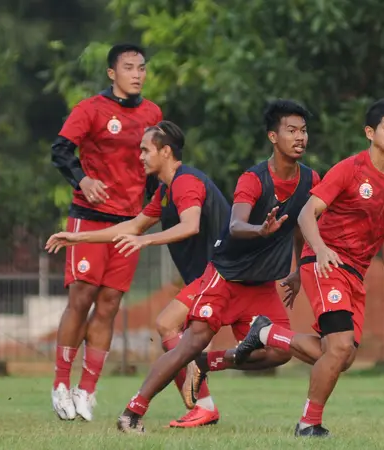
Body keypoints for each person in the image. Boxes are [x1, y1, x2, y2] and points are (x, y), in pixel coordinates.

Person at [115, 99, 320, 434]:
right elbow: (236, 223)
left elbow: (302, 223)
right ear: (273, 136)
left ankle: (206, 364)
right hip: (226, 277)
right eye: (292, 131)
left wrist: (298, 268)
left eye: (304, 130)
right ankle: (132, 412)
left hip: (263, 286)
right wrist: (260, 229)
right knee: (189, 342)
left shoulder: (311, 180)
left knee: (278, 354)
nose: (300, 137)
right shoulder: (253, 179)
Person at [234, 98, 384, 437]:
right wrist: (320, 250)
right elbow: (306, 213)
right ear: (370, 133)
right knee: (341, 347)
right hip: (325, 264)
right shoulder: (350, 169)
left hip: (356, 273)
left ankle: (265, 332)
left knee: (340, 357)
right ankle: (309, 424)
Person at [46, 120, 230, 428]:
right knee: (270, 347)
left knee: (170, 326)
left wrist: (145, 241)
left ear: (165, 151)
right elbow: (132, 226)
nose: (140, 156)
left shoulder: (185, 182)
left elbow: (190, 225)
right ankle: (204, 405)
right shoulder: (166, 191)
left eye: (145, 150)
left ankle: (148, 411)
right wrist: (77, 238)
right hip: (217, 277)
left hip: (225, 276)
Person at [49, 43, 163, 421]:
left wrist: (152, 209)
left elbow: (153, 167)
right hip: (90, 217)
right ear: (112, 73)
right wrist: (83, 179)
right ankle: (61, 385)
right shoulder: (90, 109)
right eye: (129, 67)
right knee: (81, 298)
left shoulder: (152, 114)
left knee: (110, 304)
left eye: (141, 68)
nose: (137, 74)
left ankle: (88, 389)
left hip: (128, 224)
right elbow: (62, 150)